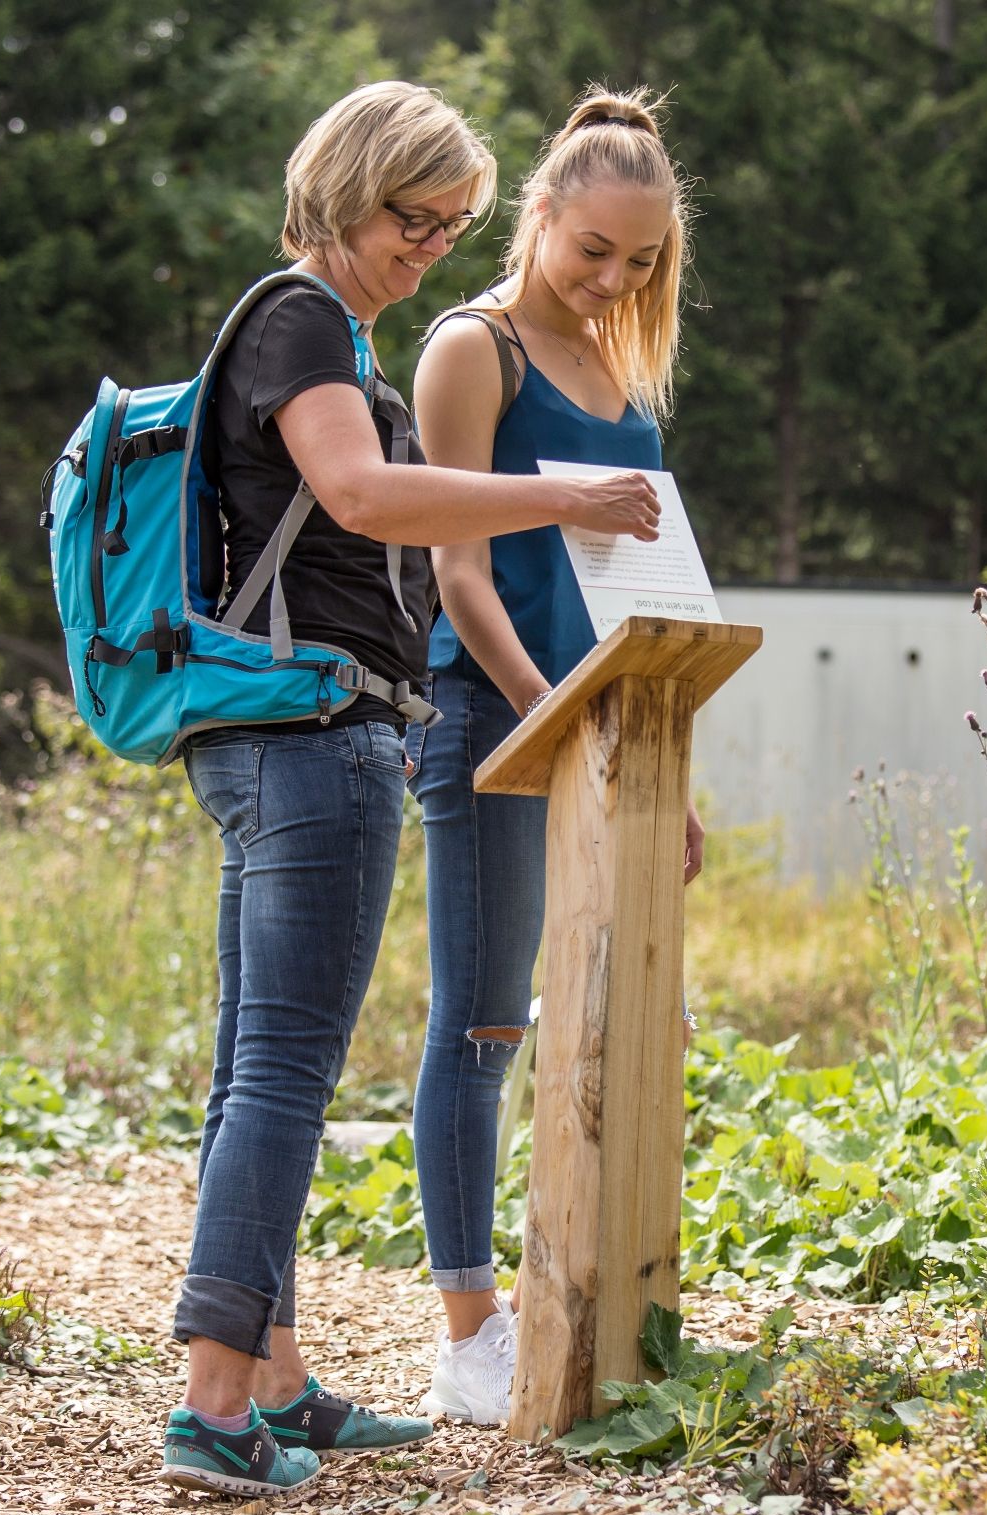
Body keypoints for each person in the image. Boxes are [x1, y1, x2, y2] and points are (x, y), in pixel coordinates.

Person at [161, 81, 662, 1500]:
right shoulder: (302, 319)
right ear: (346, 186)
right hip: (314, 733)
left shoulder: (322, 329)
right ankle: (211, 1405)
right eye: (411, 216)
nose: (427, 246)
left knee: (254, 1055)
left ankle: (272, 1377)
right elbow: (372, 496)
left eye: (449, 227)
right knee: (284, 1067)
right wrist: (554, 498)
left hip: (280, 735)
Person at [408, 86, 702, 1426]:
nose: (611, 280)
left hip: (610, 737)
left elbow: (646, 590)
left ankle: (582, 1283)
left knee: (607, 1019)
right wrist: (554, 722)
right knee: (482, 1020)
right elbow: (463, 576)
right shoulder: (476, 353)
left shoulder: (618, 370)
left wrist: (663, 769)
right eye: (592, 250)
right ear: (536, 214)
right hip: (492, 723)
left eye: (639, 263)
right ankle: (469, 1327)